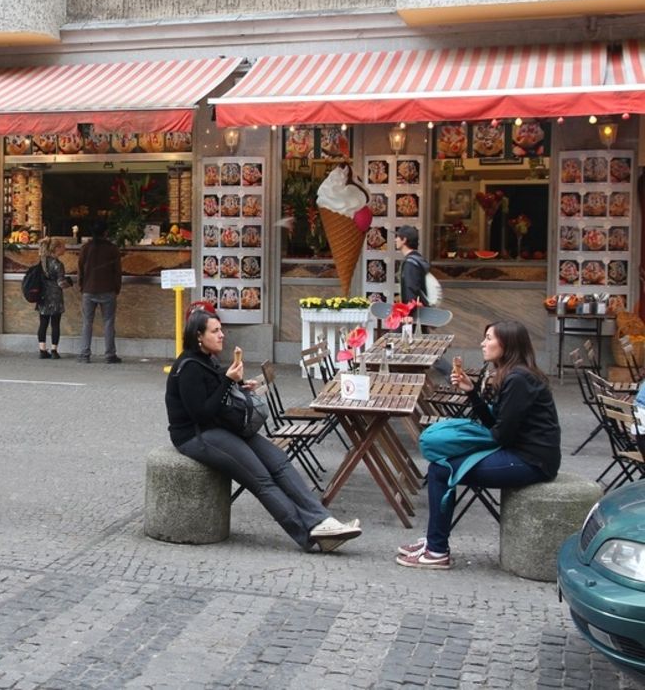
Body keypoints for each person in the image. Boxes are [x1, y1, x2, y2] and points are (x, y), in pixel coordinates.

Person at [165, 309, 362, 552]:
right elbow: (201, 413)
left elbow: (217, 398)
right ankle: (308, 535)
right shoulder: (189, 367)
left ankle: (322, 520)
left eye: (221, 330)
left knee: (279, 461)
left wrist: (239, 385)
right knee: (260, 477)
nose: (222, 335)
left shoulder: (208, 360)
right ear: (198, 336)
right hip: (196, 435)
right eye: (215, 331)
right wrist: (228, 381)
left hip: (221, 427)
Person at [396, 320, 561, 570]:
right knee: (442, 466)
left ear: (506, 344)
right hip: (519, 451)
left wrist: (462, 443)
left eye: (489, 338)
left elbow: (500, 435)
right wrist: (471, 392)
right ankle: (434, 540)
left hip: (531, 461)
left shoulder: (519, 379)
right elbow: (496, 424)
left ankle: (437, 550)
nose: (483, 343)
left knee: (441, 470)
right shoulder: (513, 374)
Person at [78, 220, 123, 364]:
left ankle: (85, 354)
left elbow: (80, 269)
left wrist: (82, 286)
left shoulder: (86, 248)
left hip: (89, 290)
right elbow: (117, 271)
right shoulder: (112, 249)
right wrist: (117, 288)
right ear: (106, 232)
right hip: (108, 289)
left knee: (87, 323)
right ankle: (110, 355)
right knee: (109, 322)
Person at [35, 237, 71, 359]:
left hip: (43, 296)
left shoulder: (42, 262)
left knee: (43, 323)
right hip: (55, 297)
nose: (65, 249)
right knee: (55, 324)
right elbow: (61, 283)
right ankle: (54, 351)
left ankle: (42, 350)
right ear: (56, 249)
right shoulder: (58, 264)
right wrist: (69, 283)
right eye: (62, 247)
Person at [395, 225, 429, 306]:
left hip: (413, 311)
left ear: (404, 240)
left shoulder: (410, 263)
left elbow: (410, 288)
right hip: (422, 309)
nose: (395, 239)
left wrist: (409, 312)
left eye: (398, 237)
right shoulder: (418, 259)